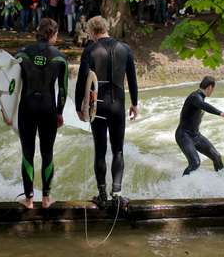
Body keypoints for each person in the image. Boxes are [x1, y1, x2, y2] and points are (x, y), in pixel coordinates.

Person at [75, 16, 138, 209]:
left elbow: (81, 81)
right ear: (106, 28)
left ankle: (102, 195)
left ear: (93, 31)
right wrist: (135, 103)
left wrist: (79, 107)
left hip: (98, 106)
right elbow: (132, 79)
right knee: (118, 150)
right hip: (118, 105)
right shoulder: (125, 49)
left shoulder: (91, 50)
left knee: (100, 150)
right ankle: (117, 195)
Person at [14, 18, 68, 209]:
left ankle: (28, 200)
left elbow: (10, 84)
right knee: (47, 153)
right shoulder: (60, 58)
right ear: (53, 34)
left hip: (26, 107)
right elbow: (62, 90)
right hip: (48, 109)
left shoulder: (21, 54)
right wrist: (60, 113)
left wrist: (8, 110)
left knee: (27, 153)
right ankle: (46, 198)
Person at [176, 76, 224, 176]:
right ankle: (180, 186)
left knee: (216, 156)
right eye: (213, 89)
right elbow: (203, 105)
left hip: (195, 135)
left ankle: (222, 183)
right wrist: (221, 113)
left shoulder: (199, 98)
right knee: (195, 163)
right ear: (210, 87)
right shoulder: (195, 97)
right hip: (184, 135)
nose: (212, 91)